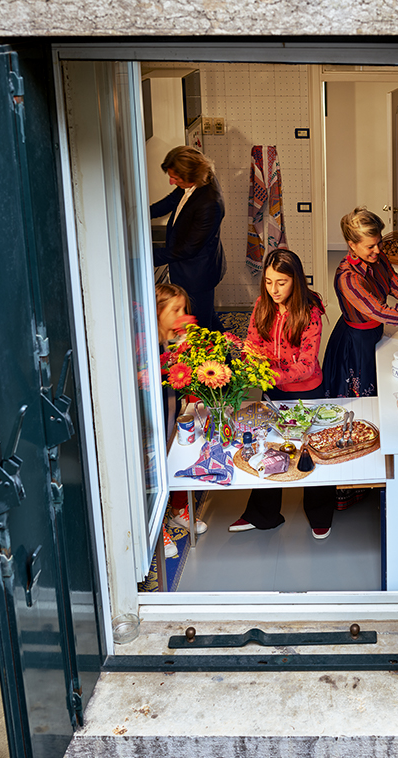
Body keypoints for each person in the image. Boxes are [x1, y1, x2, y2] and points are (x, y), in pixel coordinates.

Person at [228, 249, 336, 540]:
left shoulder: (310, 311)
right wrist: (250, 358)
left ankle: (320, 513)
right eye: (268, 281)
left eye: (281, 282)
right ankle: (263, 515)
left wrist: (265, 372)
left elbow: (306, 364)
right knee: (270, 448)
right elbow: (252, 342)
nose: (273, 290)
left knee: (310, 450)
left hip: (307, 392)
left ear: (296, 281)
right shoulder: (262, 305)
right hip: (273, 391)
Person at [323, 207, 398, 398]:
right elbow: (381, 312)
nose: (377, 250)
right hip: (355, 342)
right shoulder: (348, 278)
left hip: (375, 332)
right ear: (352, 245)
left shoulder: (379, 257)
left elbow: (396, 285)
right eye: (370, 246)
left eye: (379, 243)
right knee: (362, 398)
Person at [155, 284, 208, 556]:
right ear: (157, 311)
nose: (181, 314)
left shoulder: (174, 339)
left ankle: (177, 510)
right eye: (174, 310)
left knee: (178, 455)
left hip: (174, 410)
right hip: (155, 416)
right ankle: (155, 528)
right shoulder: (149, 345)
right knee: (153, 469)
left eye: (183, 309)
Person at [150, 146, 226, 332]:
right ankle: (230, 359)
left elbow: (186, 249)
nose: (171, 182)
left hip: (197, 275)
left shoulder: (210, 203)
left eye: (175, 178)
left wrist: (146, 257)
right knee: (206, 319)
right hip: (192, 270)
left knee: (200, 328)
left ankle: (221, 360)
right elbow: (170, 201)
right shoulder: (195, 181)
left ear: (192, 175)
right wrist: (139, 214)